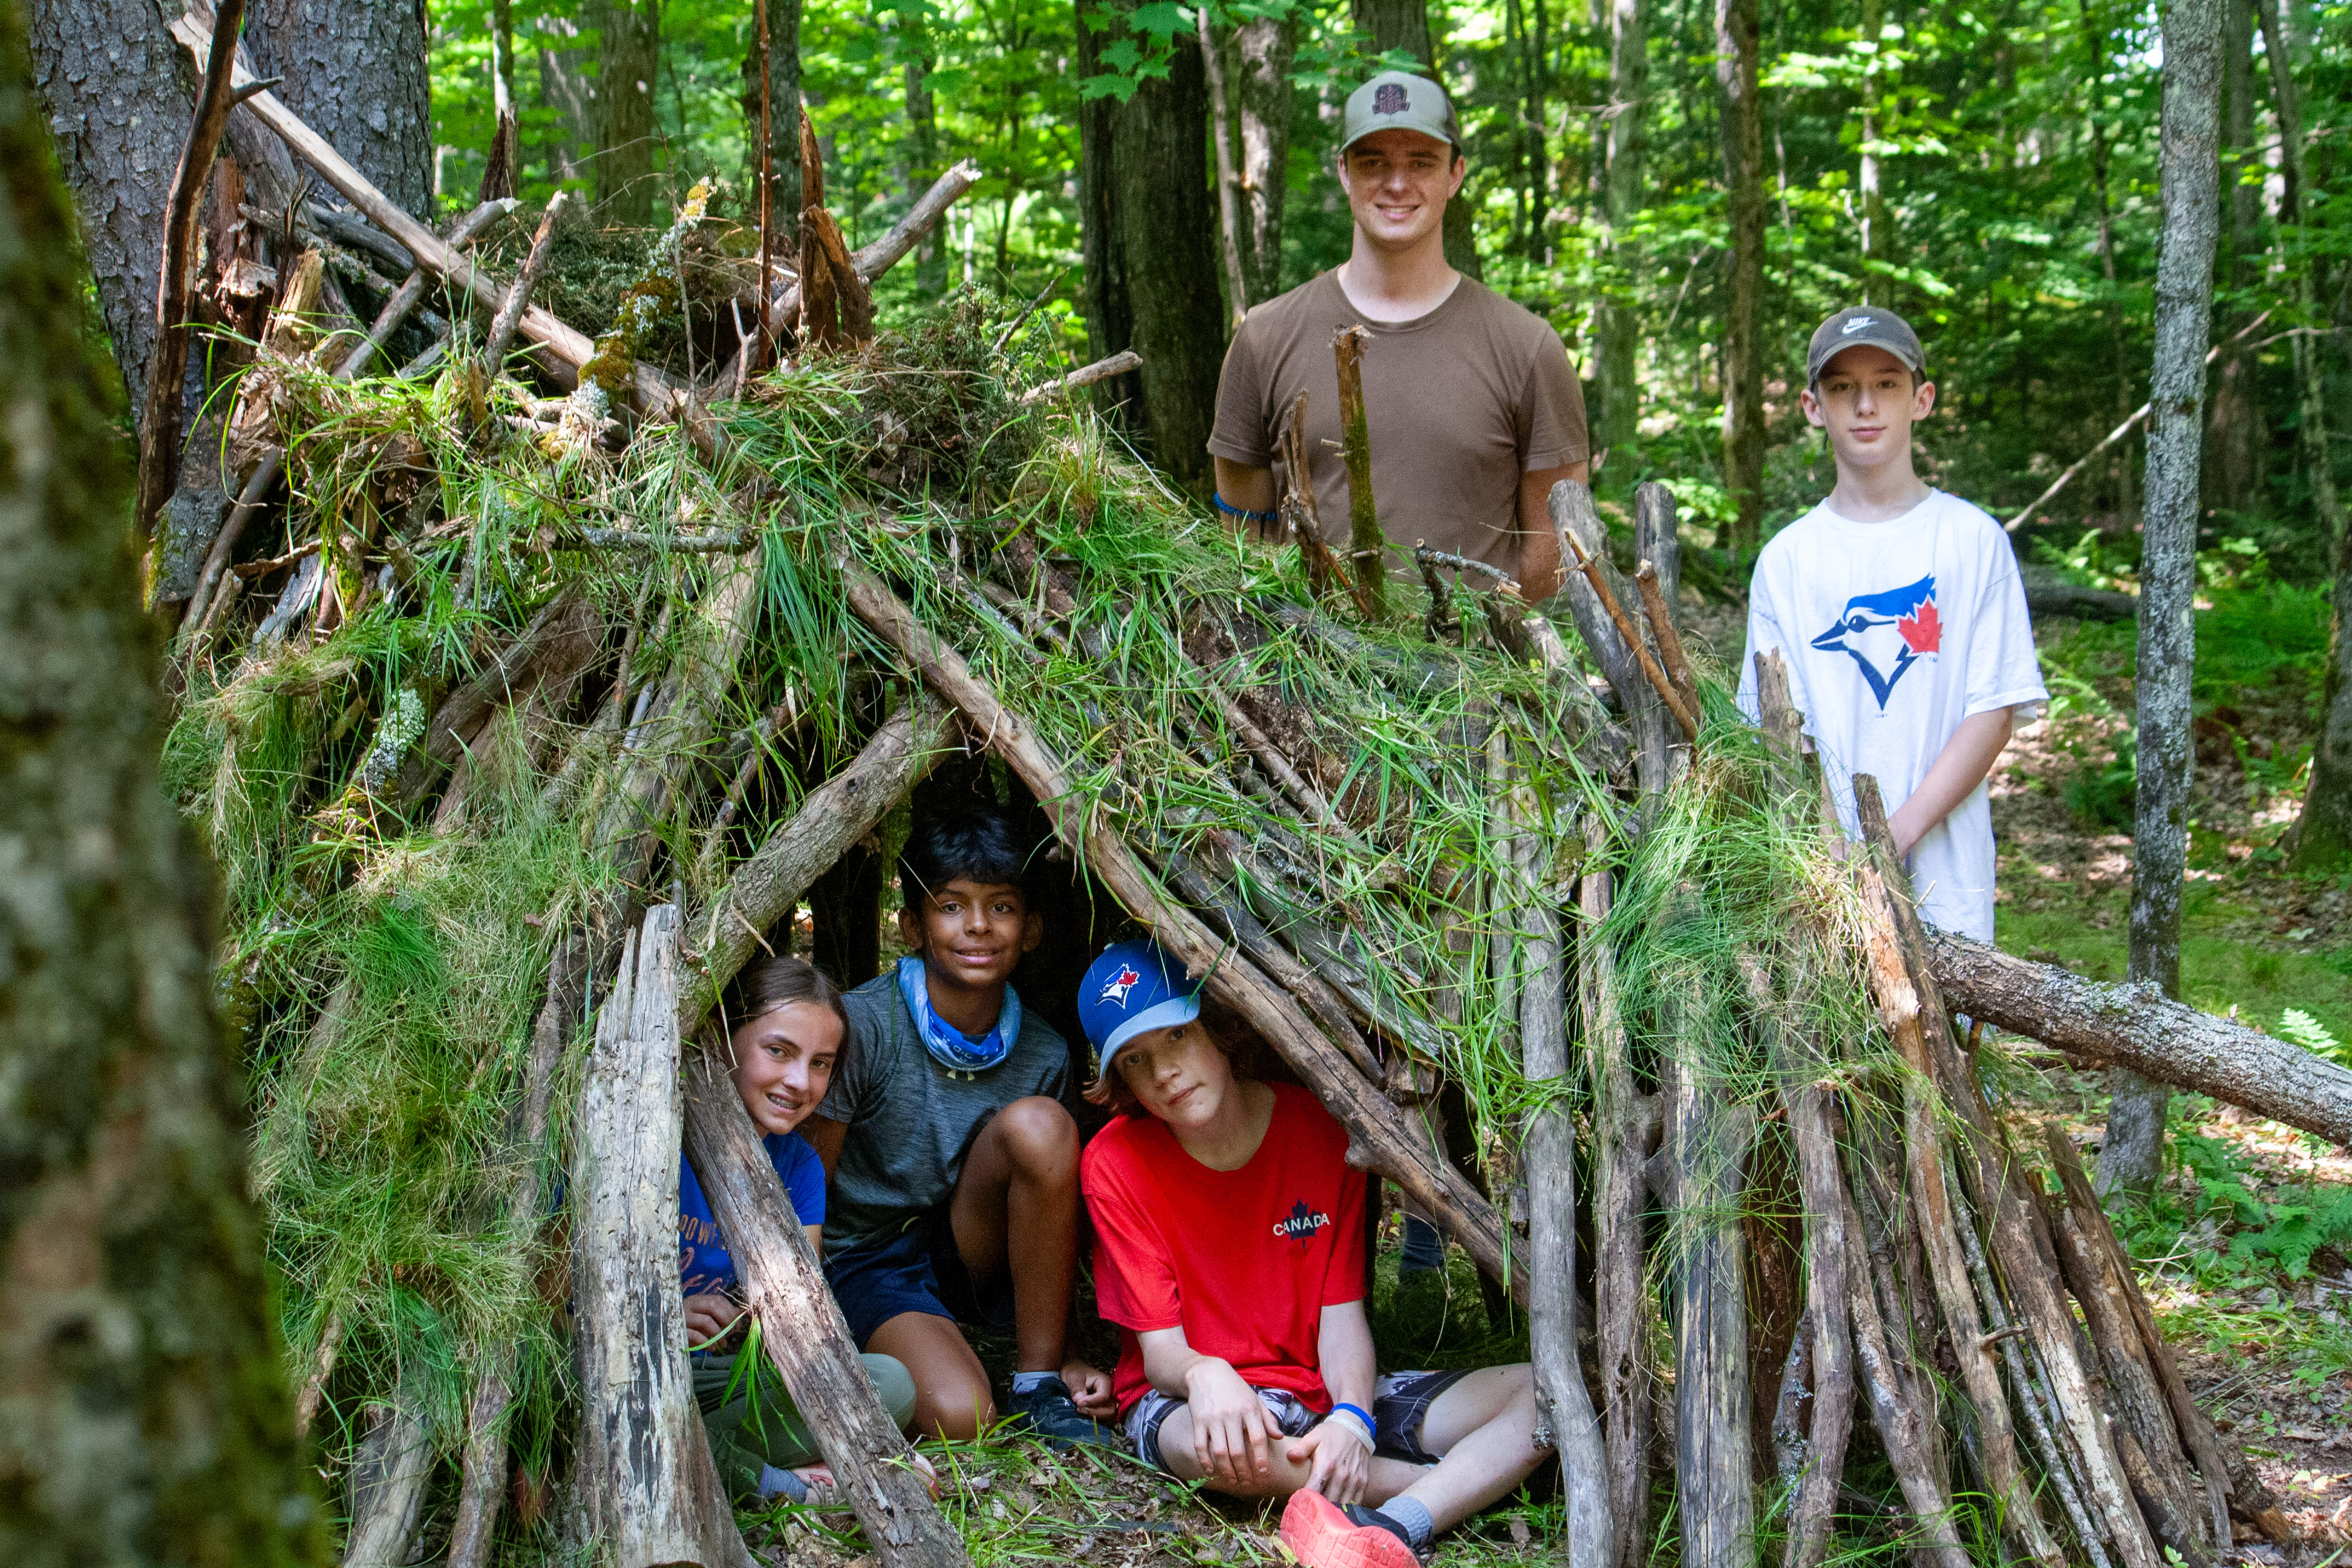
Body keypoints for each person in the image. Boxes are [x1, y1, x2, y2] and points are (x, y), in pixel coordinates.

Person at [1075, 941, 1551, 1568]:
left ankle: (1387, 1523)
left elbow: (1341, 1317)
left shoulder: (1321, 1132)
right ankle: (1459, 1487)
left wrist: (1353, 1419)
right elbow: (1162, 1353)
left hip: (1318, 1393)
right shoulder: (1115, 1163)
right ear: (1121, 1080)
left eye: (1176, 1037)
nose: (1163, 1071)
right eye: (1135, 1060)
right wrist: (1204, 1373)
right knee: (1205, 1446)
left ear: (1217, 1027)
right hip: (1193, 1401)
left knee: (1545, 1391)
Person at [1206, 69, 1590, 598]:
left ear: (1455, 175)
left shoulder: (1528, 349)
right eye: (1373, 162)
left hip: (1471, 676)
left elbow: (1551, 554)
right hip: (1302, 672)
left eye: (1421, 162)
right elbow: (1242, 540)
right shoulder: (1264, 338)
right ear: (1343, 172)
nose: (1396, 183)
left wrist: (1480, 661)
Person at [801, 808, 1116, 1446]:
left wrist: (1072, 1349)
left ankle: (1037, 1381)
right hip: (866, 1259)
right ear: (913, 925)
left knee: (1041, 1126)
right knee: (961, 1416)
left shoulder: (1043, 1051)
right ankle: (908, 1339)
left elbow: (1053, 1210)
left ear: (1030, 931)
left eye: (1001, 907)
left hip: (966, 1245)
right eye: (952, 906)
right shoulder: (865, 1027)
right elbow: (810, 1180)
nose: (978, 926)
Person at [1736, 306, 2048, 941]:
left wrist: (1888, 840)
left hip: (1945, 876)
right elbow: (1772, 729)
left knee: (1946, 1037)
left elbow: (1992, 713)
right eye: (1843, 388)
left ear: (1922, 399)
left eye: (1886, 384)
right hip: (1819, 876)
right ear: (1813, 407)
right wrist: (1832, 854)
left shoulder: (1972, 542)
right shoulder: (1788, 560)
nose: (1865, 406)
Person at [680, 956, 921, 1503]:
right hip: (634, 1373)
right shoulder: (651, 1136)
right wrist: (661, 1318)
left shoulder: (800, 1167)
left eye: (821, 1064)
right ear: (721, 1038)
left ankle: (706, 1458)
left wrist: (750, 1322)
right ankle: (788, 1486)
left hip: (722, 1384)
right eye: (779, 1051)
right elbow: (556, 1302)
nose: (799, 1081)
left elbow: (800, 1314)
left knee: (889, 1383)